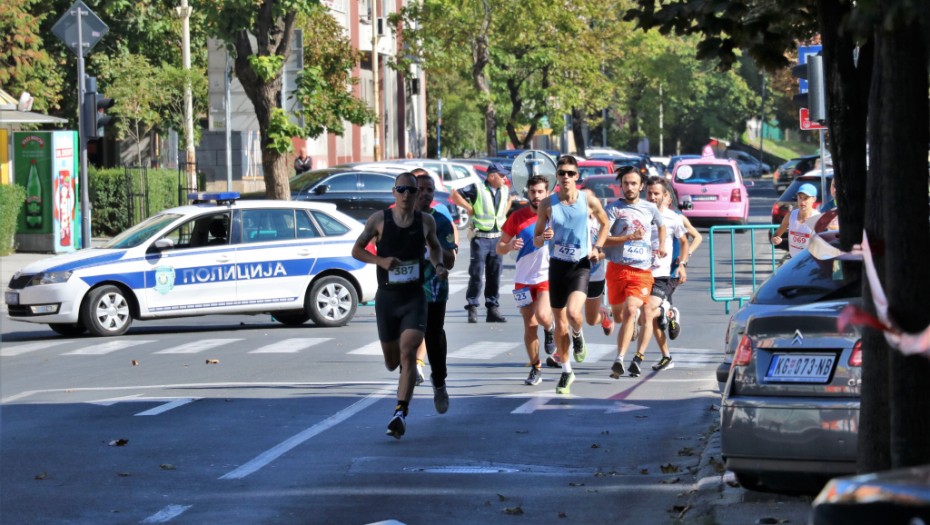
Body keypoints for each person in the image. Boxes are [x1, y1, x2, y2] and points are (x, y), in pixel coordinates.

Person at [351, 172, 449, 439]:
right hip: (386, 299)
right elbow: (356, 250)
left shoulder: (426, 221)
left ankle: (400, 413)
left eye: (411, 190)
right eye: (402, 189)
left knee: (409, 352)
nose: (407, 194)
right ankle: (401, 397)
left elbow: (436, 247)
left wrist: (438, 264)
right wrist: (380, 261)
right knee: (393, 361)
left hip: (415, 297)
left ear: (417, 194)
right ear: (394, 192)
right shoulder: (379, 220)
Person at [533, 156, 610, 394]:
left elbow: (605, 224)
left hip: (581, 265)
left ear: (577, 176)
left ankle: (579, 335)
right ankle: (567, 372)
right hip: (557, 266)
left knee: (575, 313)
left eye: (569, 173)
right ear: (556, 176)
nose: (565, 177)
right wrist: (542, 238)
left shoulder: (589, 201)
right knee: (560, 326)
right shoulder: (547, 204)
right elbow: (536, 239)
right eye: (561, 173)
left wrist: (598, 247)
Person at [602, 165, 666, 379]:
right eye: (626, 183)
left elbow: (661, 225)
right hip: (616, 270)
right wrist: (628, 238)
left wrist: (662, 245)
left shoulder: (650, 208)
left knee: (631, 311)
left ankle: (620, 359)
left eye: (633, 184)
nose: (629, 187)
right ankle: (628, 329)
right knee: (620, 317)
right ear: (620, 185)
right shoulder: (612, 209)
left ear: (641, 187)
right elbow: (602, 239)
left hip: (641, 272)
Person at [497, 175, 556, 386]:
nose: (536, 196)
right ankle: (535, 367)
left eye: (541, 192)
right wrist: (510, 245)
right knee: (529, 325)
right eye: (533, 192)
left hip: (545, 276)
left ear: (547, 193)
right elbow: (499, 247)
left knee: (542, 315)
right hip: (522, 279)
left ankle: (550, 328)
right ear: (527, 193)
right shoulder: (517, 217)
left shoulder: (553, 215)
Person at [408, 173, 457, 414]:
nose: (426, 194)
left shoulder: (441, 220)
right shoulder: (401, 219)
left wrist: (433, 248)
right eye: (421, 189)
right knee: (405, 336)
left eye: (430, 190)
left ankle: (439, 382)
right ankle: (402, 400)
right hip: (405, 287)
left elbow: (451, 261)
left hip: (434, 287)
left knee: (433, 335)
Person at [639, 177, 690, 372]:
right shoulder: (639, 214)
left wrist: (682, 264)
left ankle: (638, 357)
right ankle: (666, 356)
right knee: (648, 317)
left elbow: (685, 241)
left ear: (664, 196)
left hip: (660, 274)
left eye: (656, 193)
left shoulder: (673, 217)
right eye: (649, 193)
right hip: (639, 273)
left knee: (648, 312)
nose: (652, 197)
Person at [451, 163, 512, 323]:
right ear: (492, 176)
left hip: (497, 238)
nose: (505, 178)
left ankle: (492, 308)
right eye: (502, 175)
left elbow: (508, 201)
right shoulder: (477, 188)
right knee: (477, 274)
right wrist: (468, 208)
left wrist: (502, 216)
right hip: (481, 238)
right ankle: (472, 307)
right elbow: (454, 195)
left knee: (495, 275)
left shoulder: (504, 190)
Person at [662, 194, 703, 342]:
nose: (657, 199)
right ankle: (670, 314)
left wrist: (685, 257)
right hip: (653, 269)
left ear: (668, 199)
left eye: (661, 196)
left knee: (660, 303)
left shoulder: (677, 217)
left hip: (673, 269)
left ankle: (670, 314)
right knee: (656, 308)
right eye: (651, 195)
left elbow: (697, 237)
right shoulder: (649, 215)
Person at [581, 188, 614, 337]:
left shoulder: (603, 222)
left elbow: (611, 250)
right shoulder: (573, 219)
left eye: (587, 201)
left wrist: (597, 254)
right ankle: (561, 352)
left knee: (591, 319)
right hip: (574, 273)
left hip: (595, 275)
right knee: (569, 313)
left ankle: (603, 316)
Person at [772, 182, 817, 257]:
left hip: (810, 262)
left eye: (806, 198)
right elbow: (776, 235)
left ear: (814, 199)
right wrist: (775, 239)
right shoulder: (791, 215)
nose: (802, 202)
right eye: (800, 197)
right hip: (794, 262)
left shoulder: (817, 218)